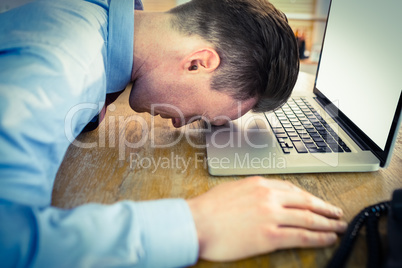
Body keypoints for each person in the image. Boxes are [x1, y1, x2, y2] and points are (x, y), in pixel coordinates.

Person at [0, 0, 347, 267]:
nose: (178, 125)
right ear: (197, 62)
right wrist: (196, 224)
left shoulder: (107, 21)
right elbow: (8, 244)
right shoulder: (61, 68)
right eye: (197, 115)